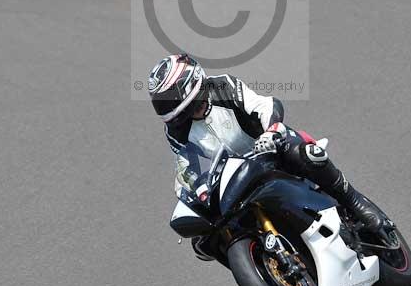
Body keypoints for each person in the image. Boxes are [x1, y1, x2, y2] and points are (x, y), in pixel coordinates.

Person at [148, 53, 387, 261]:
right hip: (231, 180)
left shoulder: (222, 86)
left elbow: (264, 105)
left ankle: (353, 201)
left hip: (268, 151)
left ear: (194, 84)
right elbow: (187, 165)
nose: (174, 107)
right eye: (166, 103)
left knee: (306, 154)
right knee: (203, 241)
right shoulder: (175, 131)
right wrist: (195, 188)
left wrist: (271, 130)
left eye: (175, 99)